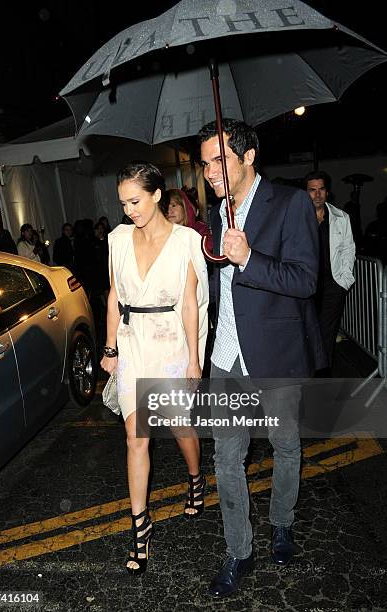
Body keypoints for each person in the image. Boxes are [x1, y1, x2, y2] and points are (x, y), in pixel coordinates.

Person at [198, 119, 325, 598]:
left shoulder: (290, 204)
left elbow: (305, 281)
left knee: (286, 446)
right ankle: (239, 549)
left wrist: (249, 258)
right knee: (227, 457)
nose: (210, 171)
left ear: (249, 157)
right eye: (205, 162)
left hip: (276, 354)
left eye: (219, 160)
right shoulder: (215, 215)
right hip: (227, 357)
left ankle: (282, 522)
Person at [100, 161, 209, 575]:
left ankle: (196, 477)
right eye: (123, 203)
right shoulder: (117, 239)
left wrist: (194, 360)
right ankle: (140, 527)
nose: (129, 210)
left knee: (181, 428)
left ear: (157, 195)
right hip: (133, 341)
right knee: (136, 436)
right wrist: (109, 348)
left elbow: (189, 303)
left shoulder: (185, 241)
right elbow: (113, 296)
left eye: (135, 200)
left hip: (169, 342)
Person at [305, 171, 355, 370]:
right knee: (307, 333)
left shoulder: (341, 217)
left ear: (327, 192)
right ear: (306, 192)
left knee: (327, 334)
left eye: (321, 189)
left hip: (333, 286)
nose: (317, 194)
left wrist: (344, 281)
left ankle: (323, 377)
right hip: (306, 286)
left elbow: (348, 249)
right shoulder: (297, 218)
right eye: (312, 190)